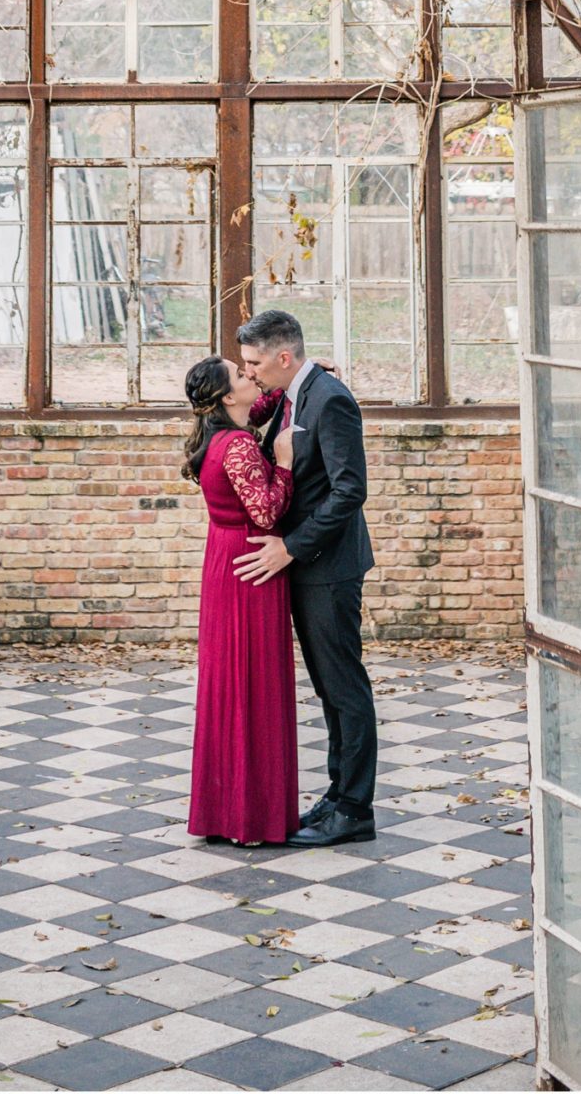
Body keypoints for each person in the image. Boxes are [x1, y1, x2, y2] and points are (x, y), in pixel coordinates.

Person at [233, 308, 377, 844]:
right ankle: (339, 794)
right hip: (308, 567)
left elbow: (349, 490)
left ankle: (354, 810)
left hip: (329, 569)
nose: (249, 374)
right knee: (328, 688)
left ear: (283, 357)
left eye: (254, 364)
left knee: (344, 689)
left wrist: (290, 547)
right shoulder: (297, 392)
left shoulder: (330, 399)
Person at [182, 355, 300, 847]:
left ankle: (225, 810)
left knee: (230, 680)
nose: (250, 375)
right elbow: (267, 509)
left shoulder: (220, 433)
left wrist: (300, 375)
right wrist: (287, 461)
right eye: (240, 373)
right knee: (252, 681)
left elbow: (264, 399)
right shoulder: (237, 448)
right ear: (227, 397)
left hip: (224, 558)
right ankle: (250, 818)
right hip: (251, 562)